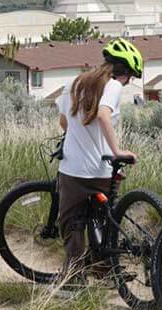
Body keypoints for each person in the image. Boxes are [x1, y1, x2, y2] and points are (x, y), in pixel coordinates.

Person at [54, 38, 142, 285]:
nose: (128, 83)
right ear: (123, 72)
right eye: (131, 78)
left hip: (73, 169)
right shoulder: (112, 85)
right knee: (104, 220)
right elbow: (104, 115)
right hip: (102, 169)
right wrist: (116, 151)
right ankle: (106, 270)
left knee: (73, 225)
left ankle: (73, 279)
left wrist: (76, 135)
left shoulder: (73, 82)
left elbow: (63, 122)